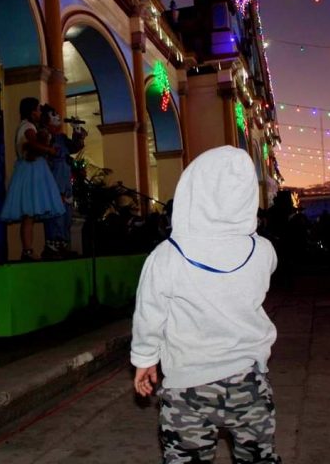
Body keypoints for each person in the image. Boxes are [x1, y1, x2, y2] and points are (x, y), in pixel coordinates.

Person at [131, 146, 281, 463]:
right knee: (258, 458)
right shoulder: (264, 250)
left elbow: (149, 315)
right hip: (249, 382)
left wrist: (145, 358)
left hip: (186, 388)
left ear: (191, 189)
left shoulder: (166, 256)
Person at [0, 97, 64, 261]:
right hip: (30, 172)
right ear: (31, 111)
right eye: (37, 109)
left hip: (33, 170)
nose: (40, 112)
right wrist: (49, 150)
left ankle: (28, 249)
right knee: (28, 214)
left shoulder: (31, 126)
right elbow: (32, 144)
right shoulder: (27, 127)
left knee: (30, 215)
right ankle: (27, 250)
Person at [39, 104, 86, 259]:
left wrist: (77, 130)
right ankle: (53, 247)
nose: (58, 117)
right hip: (53, 183)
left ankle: (63, 245)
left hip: (65, 183)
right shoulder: (44, 136)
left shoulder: (61, 138)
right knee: (54, 216)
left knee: (66, 215)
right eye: (54, 114)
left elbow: (75, 147)